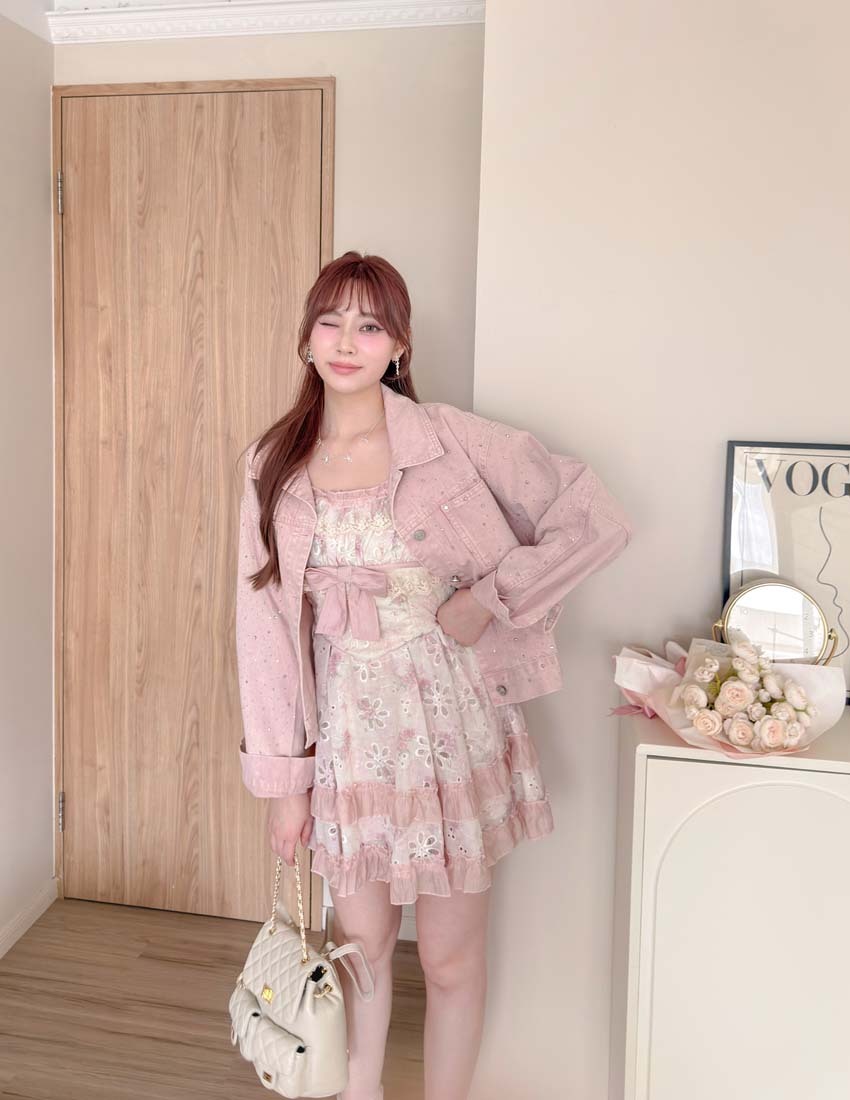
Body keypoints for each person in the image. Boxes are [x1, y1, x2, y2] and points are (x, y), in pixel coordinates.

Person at [234, 251, 634, 1100]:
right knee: (362, 951)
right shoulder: (273, 463)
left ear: (399, 347)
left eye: (370, 325)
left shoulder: (449, 439)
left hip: (451, 727)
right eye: (331, 321)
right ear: (306, 338)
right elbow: (263, 630)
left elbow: (593, 516)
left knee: (450, 959)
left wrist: (489, 598)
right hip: (349, 737)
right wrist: (285, 783)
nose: (348, 341)